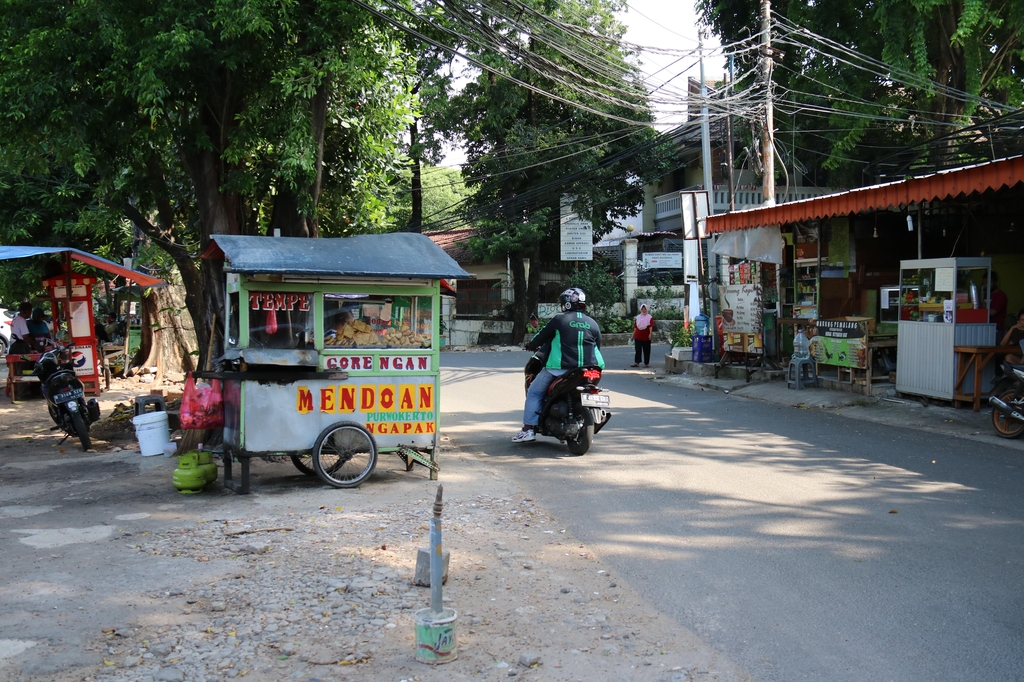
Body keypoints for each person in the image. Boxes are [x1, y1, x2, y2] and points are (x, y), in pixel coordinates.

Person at [513, 287, 605, 443]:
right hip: (591, 369)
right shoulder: (593, 323)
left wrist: (530, 344)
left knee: (534, 392)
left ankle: (528, 430)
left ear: (567, 304)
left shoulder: (560, 320)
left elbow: (541, 337)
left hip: (560, 369)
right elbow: (598, 345)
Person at [986, 271, 1009, 337]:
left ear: (995, 283)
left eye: (989, 283)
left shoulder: (1001, 296)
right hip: (987, 328)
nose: (986, 285)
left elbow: (992, 312)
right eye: (984, 283)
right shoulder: (987, 295)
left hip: (997, 330)